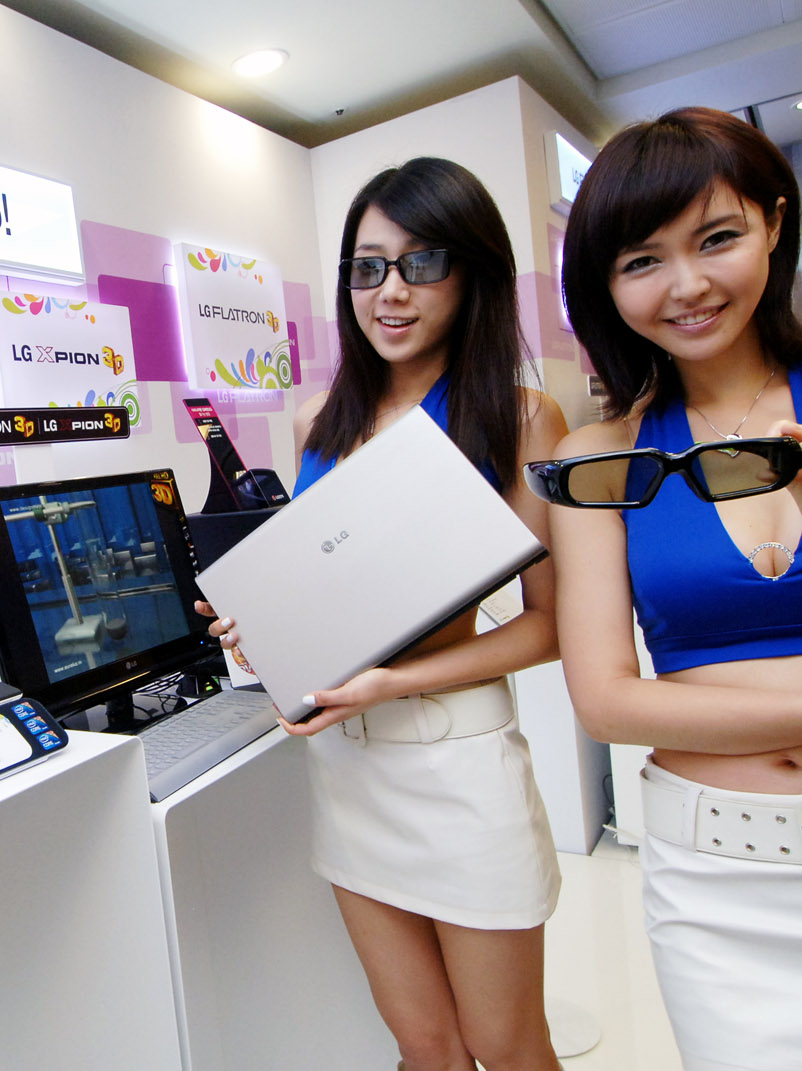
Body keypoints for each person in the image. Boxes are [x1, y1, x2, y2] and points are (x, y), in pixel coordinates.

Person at [551, 106, 802, 1070]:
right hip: (721, 890)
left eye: (717, 238)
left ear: (775, 223)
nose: (688, 285)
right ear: (606, 285)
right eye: (643, 260)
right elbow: (606, 700)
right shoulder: (599, 457)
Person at [200, 157, 568, 1071]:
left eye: (420, 262)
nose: (389, 291)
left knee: (507, 1046)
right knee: (423, 1045)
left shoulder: (523, 419)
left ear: (473, 273)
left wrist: (391, 681)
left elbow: (547, 626)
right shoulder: (316, 422)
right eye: (367, 268)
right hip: (347, 768)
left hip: (457, 761)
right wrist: (253, 626)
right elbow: (320, 592)